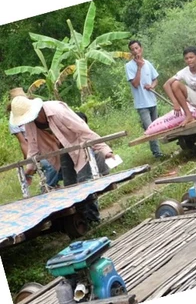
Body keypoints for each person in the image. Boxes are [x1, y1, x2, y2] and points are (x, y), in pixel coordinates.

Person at [9, 95, 118, 223]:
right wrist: (29, 171)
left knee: (84, 183)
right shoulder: (30, 123)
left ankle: (93, 219)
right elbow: (33, 147)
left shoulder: (57, 111)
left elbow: (84, 131)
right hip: (62, 150)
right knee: (70, 187)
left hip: (79, 146)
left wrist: (105, 150)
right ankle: (80, 220)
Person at [7, 88, 61, 189]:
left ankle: (55, 185)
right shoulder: (13, 121)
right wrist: (31, 160)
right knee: (50, 166)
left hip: (47, 143)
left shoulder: (35, 108)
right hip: (33, 149)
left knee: (62, 164)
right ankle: (46, 189)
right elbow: (23, 142)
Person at [125, 40, 163, 159]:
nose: (135, 51)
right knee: (150, 128)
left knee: (156, 127)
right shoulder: (129, 66)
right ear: (131, 52)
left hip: (152, 101)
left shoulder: (148, 63)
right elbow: (135, 84)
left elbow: (155, 79)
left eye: (137, 48)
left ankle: (157, 151)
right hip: (142, 104)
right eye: (133, 49)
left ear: (141, 49)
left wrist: (152, 86)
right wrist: (139, 68)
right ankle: (157, 153)